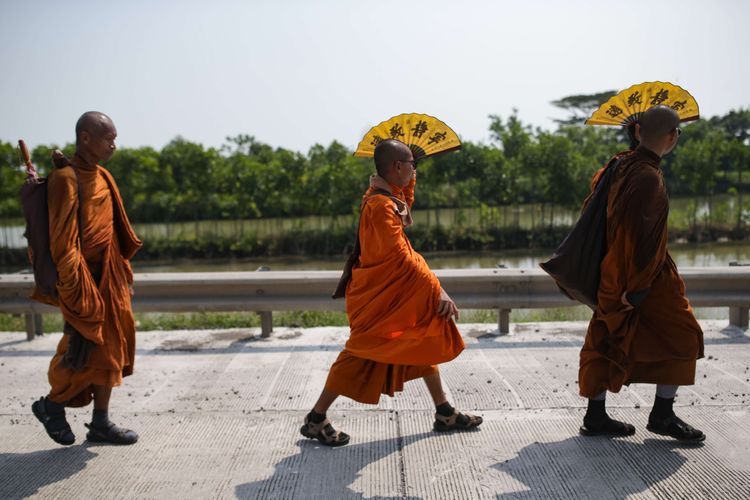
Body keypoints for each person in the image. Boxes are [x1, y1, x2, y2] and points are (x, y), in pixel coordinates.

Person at [300, 139, 482, 446]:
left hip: (392, 296)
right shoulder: (380, 207)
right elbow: (399, 255)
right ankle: (316, 419)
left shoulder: (383, 197)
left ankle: (445, 411)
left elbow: (403, 203)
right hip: (379, 300)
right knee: (357, 355)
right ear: (397, 167)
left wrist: (410, 180)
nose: (414, 168)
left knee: (421, 336)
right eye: (411, 163)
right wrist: (437, 288)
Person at [578, 105, 705, 442]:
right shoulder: (648, 176)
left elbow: (592, 209)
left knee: (609, 335)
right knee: (684, 336)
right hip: (642, 276)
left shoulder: (616, 167)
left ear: (636, 132)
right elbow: (643, 241)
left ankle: (596, 415)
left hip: (612, 269)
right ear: (673, 137)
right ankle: (662, 413)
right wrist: (637, 288)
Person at [32, 111, 142, 445]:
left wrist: (119, 271)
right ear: (85, 138)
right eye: (108, 138)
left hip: (109, 278)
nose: (113, 145)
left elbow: (110, 231)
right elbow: (63, 241)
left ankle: (100, 423)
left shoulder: (104, 176)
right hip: (83, 282)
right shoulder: (65, 179)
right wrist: (76, 288)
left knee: (112, 349)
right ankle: (51, 405)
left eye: (114, 138)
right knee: (81, 351)